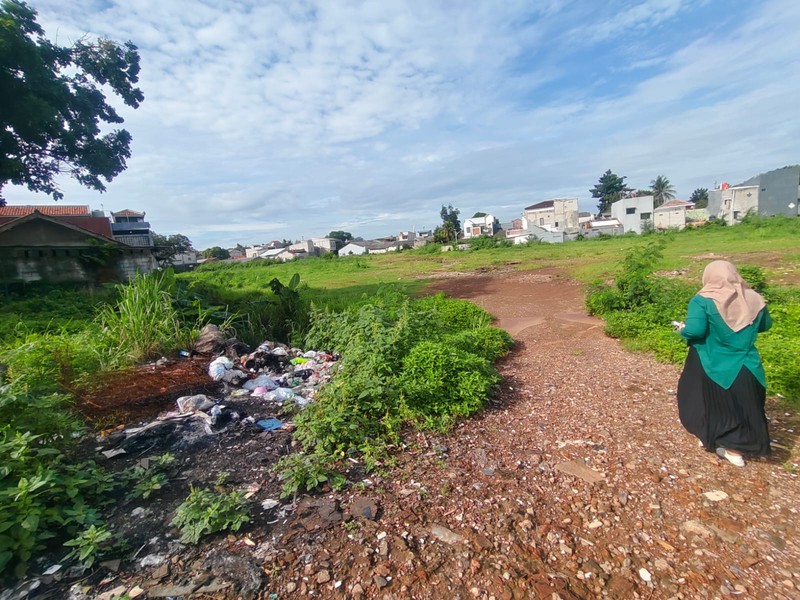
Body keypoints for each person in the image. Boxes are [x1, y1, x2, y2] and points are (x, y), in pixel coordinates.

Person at [675, 260, 772, 467]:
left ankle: (713, 438)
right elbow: (765, 325)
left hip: (712, 361)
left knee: (700, 398)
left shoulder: (702, 300)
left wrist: (681, 329)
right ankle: (736, 449)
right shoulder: (754, 298)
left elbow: (695, 331)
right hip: (747, 364)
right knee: (746, 405)